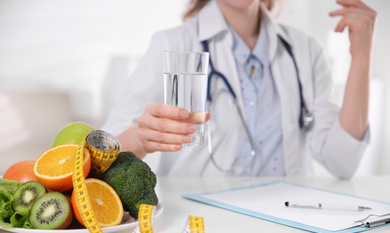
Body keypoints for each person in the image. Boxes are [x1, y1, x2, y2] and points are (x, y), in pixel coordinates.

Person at [101, 0, 377, 178]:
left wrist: (362, 56)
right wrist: (140, 138)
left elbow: (342, 162)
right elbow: (103, 158)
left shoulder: (305, 50)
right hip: (201, 225)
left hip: (287, 224)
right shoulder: (171, 45)